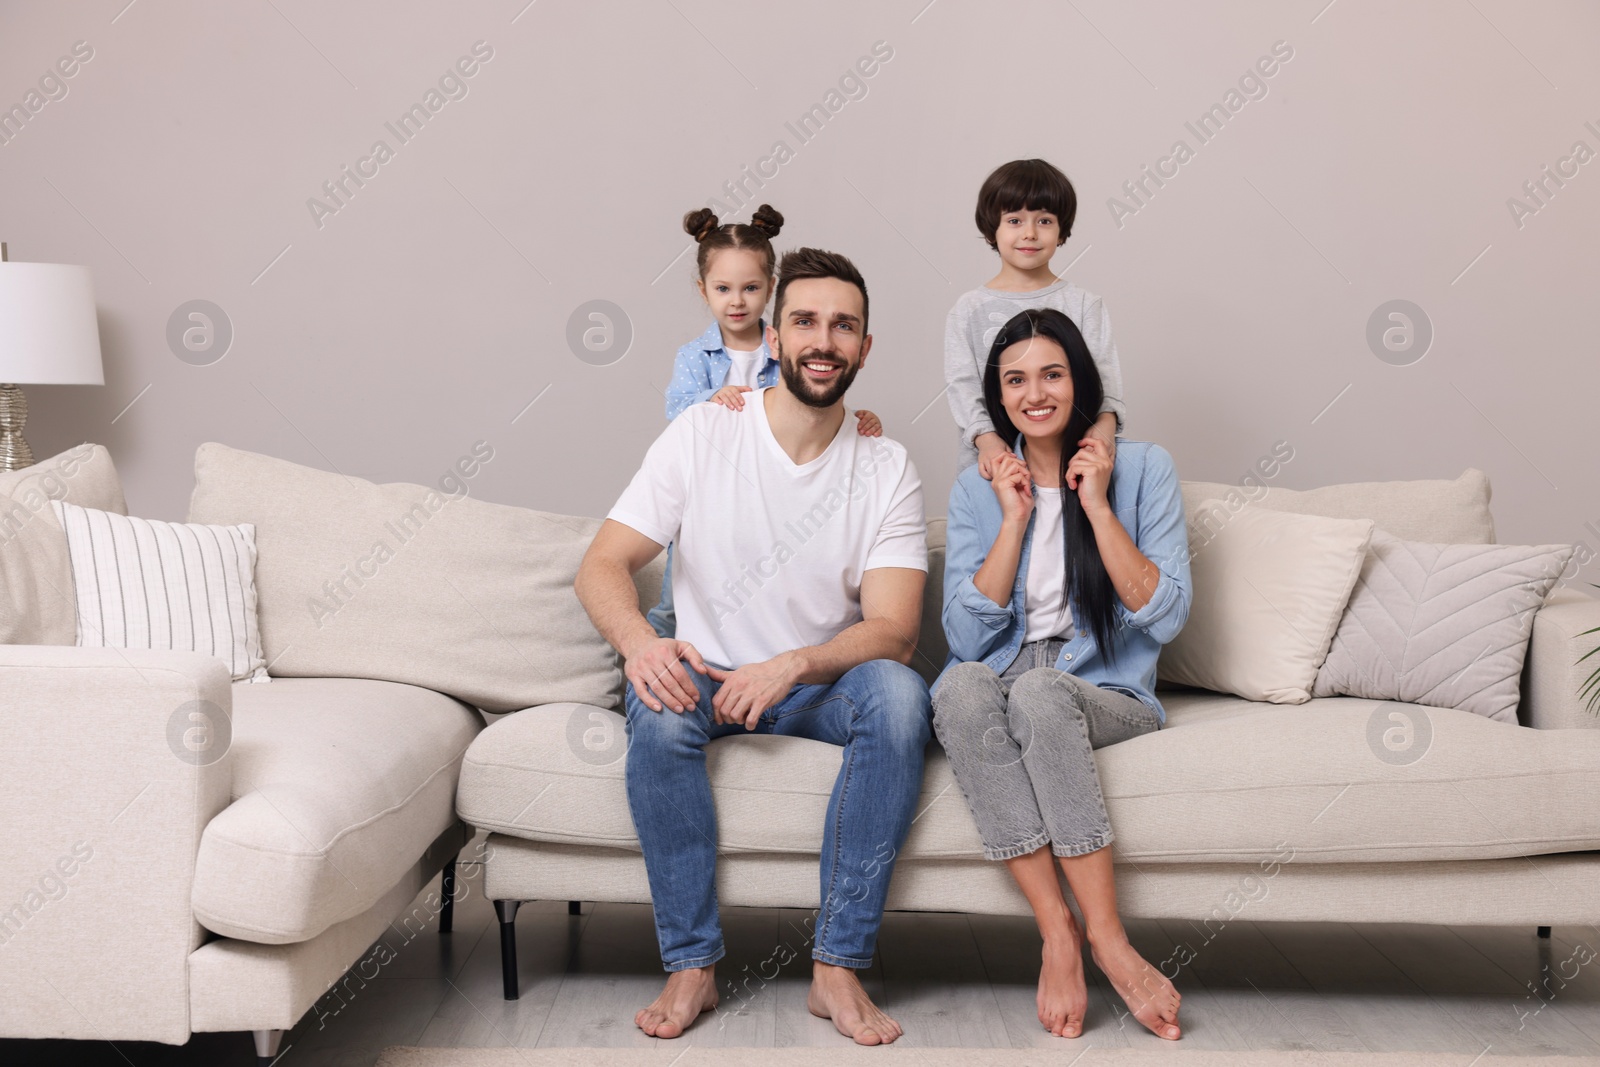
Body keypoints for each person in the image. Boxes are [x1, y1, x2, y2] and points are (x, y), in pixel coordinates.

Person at [576, 247, 930, 1045]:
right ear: (773, 336)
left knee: (901, 696)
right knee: (658, 707)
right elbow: (602, 563)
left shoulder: (886, 466)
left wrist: (792, 665)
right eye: (805, 321)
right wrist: (641, 643)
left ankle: (837, 967)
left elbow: (895, 629)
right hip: (705, 674)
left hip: (812, 687)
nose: (823, 340)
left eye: (844, 326)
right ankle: (692, 965)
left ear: (864, 349)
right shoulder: (703, 434)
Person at [933, 307, 1190, 1041]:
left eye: (1051, 373)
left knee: (1044, 690)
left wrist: (1097, 505)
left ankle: (1108, 938)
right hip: (1006, 673)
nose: (1034, 392)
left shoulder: (1145, 468)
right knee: (956, 685)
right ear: (997, 395)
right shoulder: (975, 488)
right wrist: (1013, 521)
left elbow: (1165, 617)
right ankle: (1058, 930)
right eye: (1015, 380)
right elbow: (959, 636)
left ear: (1080, 382)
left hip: (1104, 687)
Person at [650, 206, 881, 638]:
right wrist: (710, 397)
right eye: (723, 289)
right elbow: (676, 409)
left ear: (771, 289)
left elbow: (814, 402)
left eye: (750, 288)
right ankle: (653, 652)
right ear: (703, 291)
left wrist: (858, 419)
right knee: (674, 593)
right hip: (709, 489)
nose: (736, 301)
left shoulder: (786, 349)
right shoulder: (695, 356)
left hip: (766, 492)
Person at [945, 159, 1126, 478]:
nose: (1029, 233)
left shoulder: (1084, 304)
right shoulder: (968, 309)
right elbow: (963, 385)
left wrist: (1104, 428)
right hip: (995, 464)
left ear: (1061, 230)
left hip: (1074, 464)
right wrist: (987, 441)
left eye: (1044, 221)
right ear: (992, 228)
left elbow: (1105, 379)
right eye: (1014, 220)